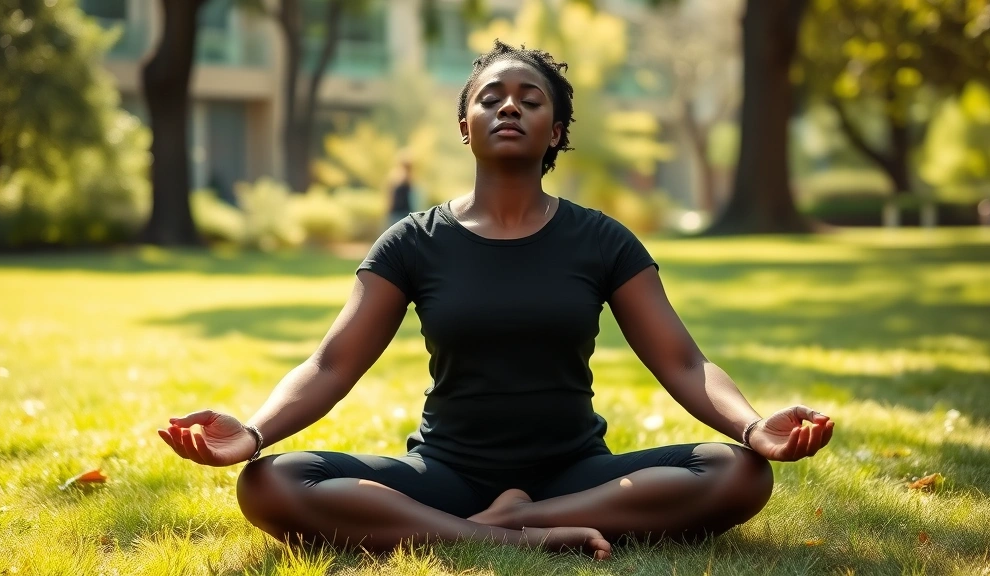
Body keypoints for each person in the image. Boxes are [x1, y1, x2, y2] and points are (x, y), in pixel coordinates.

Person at [158, 40, 835, 561]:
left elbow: (685, 364)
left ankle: (516, 520)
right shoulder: (412, 242)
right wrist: (252, 433)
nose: (508, 106)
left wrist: (751, 427)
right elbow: (331, 366)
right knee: (271, 483)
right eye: (491, 97)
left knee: (737, 475)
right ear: (465, 125)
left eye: (529, 98)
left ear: (557, 131)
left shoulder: (602, 240)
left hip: (576, 473)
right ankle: (506, 537)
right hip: (446, 470)